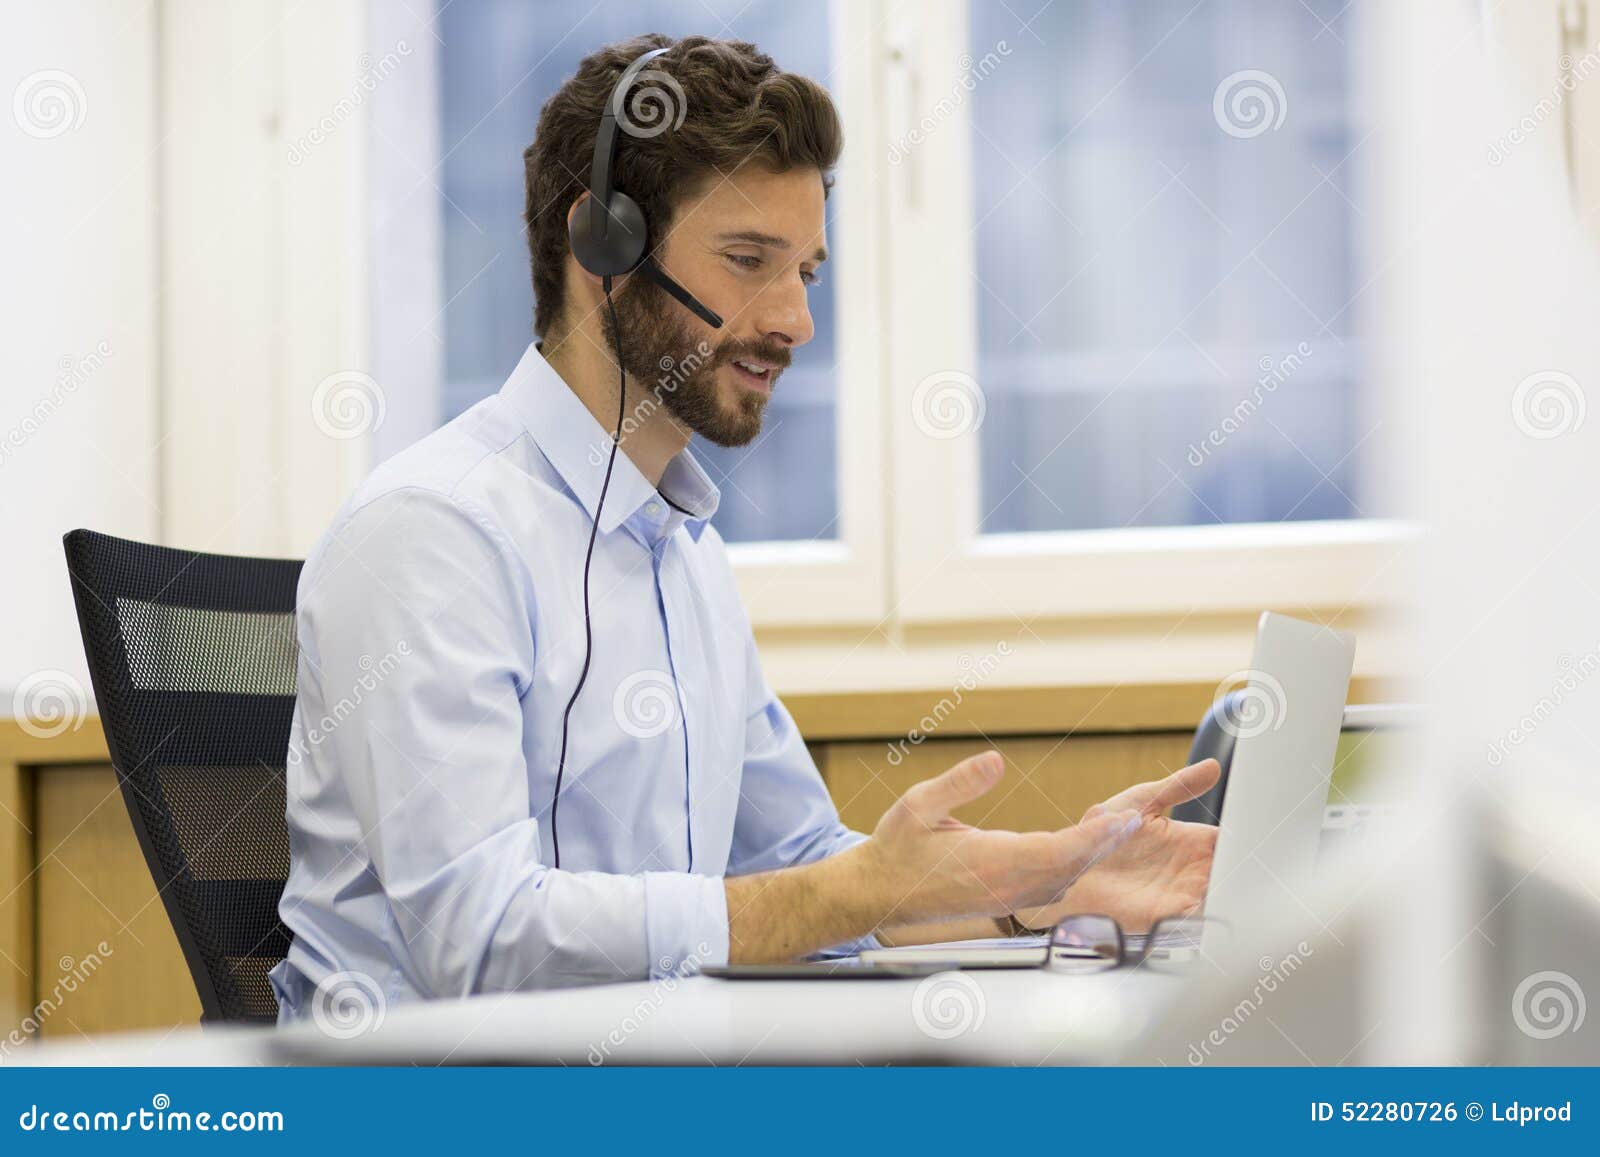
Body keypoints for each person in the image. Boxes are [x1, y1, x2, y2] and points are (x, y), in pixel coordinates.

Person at [269, 33, 1220, 1020]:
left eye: (804, 270)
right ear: (604, 248)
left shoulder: (682, 549)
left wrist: (1049, 898)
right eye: (747, 260)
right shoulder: (433, 534)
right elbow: (479, 942)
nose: (795, 319)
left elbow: (806, 876)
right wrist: (850, 891)